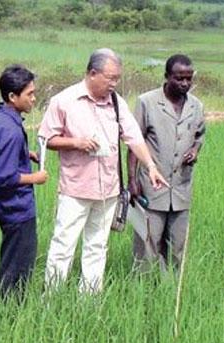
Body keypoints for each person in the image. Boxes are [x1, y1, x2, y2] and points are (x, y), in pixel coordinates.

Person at [39, 48, 169, 294]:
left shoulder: (117, 103)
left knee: (97, 247)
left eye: (117, 78)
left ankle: (89, 301)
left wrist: (150, 166)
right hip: (75, 189)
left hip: (108, 190)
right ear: (92, 73)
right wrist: (76, 142)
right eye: (110, 78)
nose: (114, 83)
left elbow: (133, 137)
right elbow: (47, 139)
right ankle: (51, 299)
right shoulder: (64, 101)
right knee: (63, 246)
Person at [128, 54, 206, 273]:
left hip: (181, 187)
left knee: (176, 247)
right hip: (152, 187)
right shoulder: (147, 102)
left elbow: (199, 135)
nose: (185, 84)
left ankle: (169, 291)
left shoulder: (196, 106)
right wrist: (132, 180)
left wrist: (195, 150)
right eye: (179, 78)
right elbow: (135, 142)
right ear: (166, 77)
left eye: (189, 79)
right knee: (147, 245)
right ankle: (143, 291)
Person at [0, 65, 48, 296]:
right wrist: (35, 178)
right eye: (29, 94)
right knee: (17, 267)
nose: (34, 99)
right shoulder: (10, 130)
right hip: (15, 207)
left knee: (11, 259)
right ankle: (8, 310)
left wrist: (23, 154)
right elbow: (4, 176)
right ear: (12, 96)